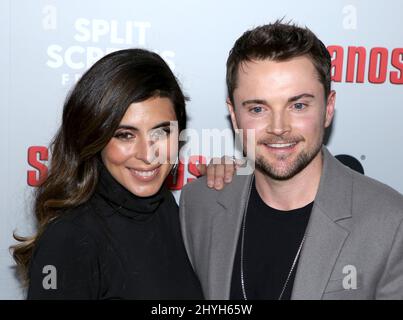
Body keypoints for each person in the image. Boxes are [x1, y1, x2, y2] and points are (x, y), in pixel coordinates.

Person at [179, 21, 403, 300]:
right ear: (235, 116)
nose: (278, 127)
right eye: (258, 108)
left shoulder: (391, 223)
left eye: (298, 105)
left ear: (328, 108)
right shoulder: (199, 204)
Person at [11, 48, 225, 299]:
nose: (148, 155)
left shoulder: (166, 208)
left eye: (162, 132)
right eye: (126, 135)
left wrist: (234, 184)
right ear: (95, 137)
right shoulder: (69, 239)